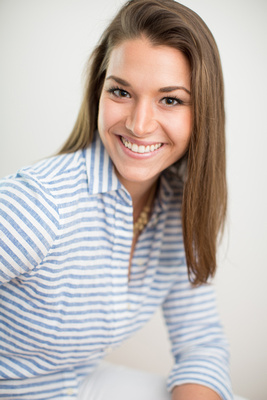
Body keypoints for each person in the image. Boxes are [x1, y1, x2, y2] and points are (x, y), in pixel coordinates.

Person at [0, 0, 239, 399]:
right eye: (122, 92)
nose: (139, 124)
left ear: (203, 113)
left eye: (170, 99)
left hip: (74, 383)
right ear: (99, 92)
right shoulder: (38, 205)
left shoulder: (180, 208)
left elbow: (201, 342)